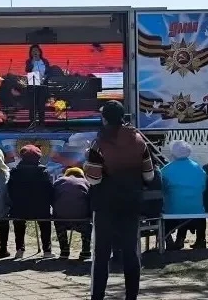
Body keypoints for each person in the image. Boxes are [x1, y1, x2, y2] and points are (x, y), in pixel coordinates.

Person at [84, 100, 154, 300]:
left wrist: (86, 165)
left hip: (105, 204)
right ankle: (131, 296)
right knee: (131, 252)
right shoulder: (139, 140)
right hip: (131, 202)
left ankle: (98, 296)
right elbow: (149, 175)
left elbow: (94, 179)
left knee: (101, 254)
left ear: (104, 118)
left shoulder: (99, 143)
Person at [8, 144, 54, 259]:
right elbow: (50, 191)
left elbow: (9, 191)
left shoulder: (14, 172)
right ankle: (47, 251)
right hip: (40, 210)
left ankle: (20, 249)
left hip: (19, 210)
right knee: (45, 222)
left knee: (18, 220)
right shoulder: (44, 172)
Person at [161, 141, 207, 249]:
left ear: (173, 153)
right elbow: (203, 186)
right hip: (196, 209)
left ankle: (169, 240)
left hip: (173, 210)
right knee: (190, 208)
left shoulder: (166, 170)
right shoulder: (197, 168)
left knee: (175, 205)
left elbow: (162, 189)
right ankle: (199, 239)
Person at [53, 167, 92, 260]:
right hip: (81, 218)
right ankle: (86, 251)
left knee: (58, 222)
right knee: (88, 225)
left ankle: (64, 251)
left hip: (62, 217)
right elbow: (91, 200)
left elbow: (53, 198)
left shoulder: (59, 181)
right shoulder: (86, 182)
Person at [24, 44, 50, 125]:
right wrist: (33, 61)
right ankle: (32, 123)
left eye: (36, 51)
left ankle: (42, 123)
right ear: (31, 53)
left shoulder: (44, 61)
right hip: (33, 85)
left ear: (40, 52)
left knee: (41, 104)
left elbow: (48, 71)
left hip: (43, 85)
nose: (35, 52)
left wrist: (44, 78)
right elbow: (27, 69)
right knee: (33, 105)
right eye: (33, 51)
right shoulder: (29, 61)